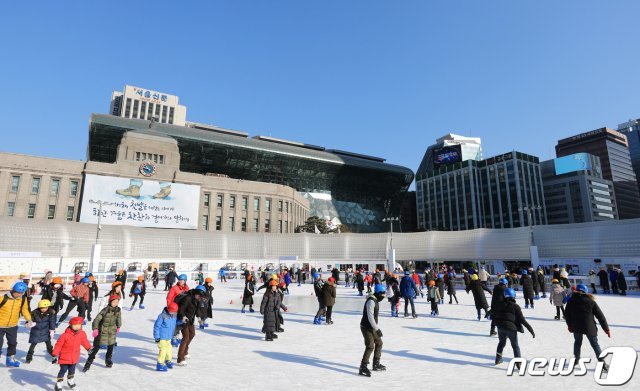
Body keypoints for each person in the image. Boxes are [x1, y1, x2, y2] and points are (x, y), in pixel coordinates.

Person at [565, 284, 610, 366]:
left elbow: (567, 315)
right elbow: (600, 316)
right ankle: (602, 363)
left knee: (577, 342)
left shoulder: (571, 301)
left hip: (576, 326)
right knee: (595, 344)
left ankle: (576, 359)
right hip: (589, 327)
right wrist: (606, 329)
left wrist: (569, 325)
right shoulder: (591, 301)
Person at [492, 288, 535, 367]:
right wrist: (530, 329)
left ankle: (497, 359)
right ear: (513, 296)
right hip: (511, 328)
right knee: (515, 346)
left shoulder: (499, 304)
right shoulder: (515, 306)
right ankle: (518, 364)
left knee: (501, 343)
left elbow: (493, 312)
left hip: (500, 327)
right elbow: (522, 320)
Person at [51, 317, 92, 391]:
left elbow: (84, 341)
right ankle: (59, 383)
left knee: (72, 370)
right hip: (64, 357)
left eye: (79, 325)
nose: (77, 326)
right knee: (63, 370)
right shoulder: (65, 335)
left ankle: (70, 380)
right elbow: (58, 345)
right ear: (70, 325)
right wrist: (54, 354)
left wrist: (89, 348)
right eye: (75, 325)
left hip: (74, 357)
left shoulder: (81, 334)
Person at [83, 294, 122, 371]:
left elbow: (119, 318)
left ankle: (108, 360)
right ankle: (88, 362)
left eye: (117, 302)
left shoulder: (118, 310)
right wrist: (95, 329)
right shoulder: (105, 310)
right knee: (96, 348)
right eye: (114, 302)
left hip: (111, 331)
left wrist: (118, 326)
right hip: (102, 331)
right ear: (110, 302)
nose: (115, 303)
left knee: (111, 346)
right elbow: (96, 320)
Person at [0, 282, 32, 366]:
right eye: (17, 292)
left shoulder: (22, 299)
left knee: (12, 343)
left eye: (21, 293)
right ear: (12, 290)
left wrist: (29, 320)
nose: (18, 295)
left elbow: (24, 310)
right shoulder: (3, 298)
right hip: (0, 325)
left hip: (13, 325)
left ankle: (10, 359)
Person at [359, 283, 386, 377]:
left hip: (372, 327)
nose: (383, 297)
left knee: (379, 343)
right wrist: (377, 329)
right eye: (382, 295)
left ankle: (376, 364)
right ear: (378, 293)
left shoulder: (375, 299)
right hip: (366, 327)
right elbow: (370, 317)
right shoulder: (371, 301)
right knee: (370, 346)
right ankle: (363, 367)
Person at [175, 285, 206, 365]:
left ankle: (185, 350)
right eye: (199, 295)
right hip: (184, 320)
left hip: (190, 321)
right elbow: (181, 309)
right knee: (185, 337)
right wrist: (183, 316)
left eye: (201, 296)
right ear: (196, 293)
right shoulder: (188, 298)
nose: (199, 297)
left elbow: (197, 309)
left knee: (192, 334)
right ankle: (180, 358)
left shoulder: (197, 299)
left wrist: (199, 317)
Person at [25, 299, 56, 363]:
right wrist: (29, 323)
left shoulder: (50, 313)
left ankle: (53, 355)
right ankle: (29, 356)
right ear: (39, 307)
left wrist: (52, 330)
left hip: (46, 332)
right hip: (36, 332)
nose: (44, 309)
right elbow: (29, 320)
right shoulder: (34, 313)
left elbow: (52, 322)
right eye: (42, 308)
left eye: (46, 308)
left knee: (49, 346)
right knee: (33, 345)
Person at [153, 302, 178, 371]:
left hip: (168, 337)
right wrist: (157, 337)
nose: (174, 313)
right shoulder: (162, 316)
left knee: (169, 349)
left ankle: (168, 360)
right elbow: (156, 326)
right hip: (161, 337)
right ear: (169, 310)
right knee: (163, 349)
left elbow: (174, 324)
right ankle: (160, 364)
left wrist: (182, 321)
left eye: (175, 311)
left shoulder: (174, 315)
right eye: (173, 311)